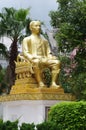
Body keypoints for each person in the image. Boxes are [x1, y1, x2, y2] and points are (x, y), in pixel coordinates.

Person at [22, 20, 60, 88]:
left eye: (39, 26)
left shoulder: (44, 41)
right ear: (31, 28)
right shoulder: (27, 39)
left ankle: (53, 83)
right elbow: (25, 52)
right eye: (36, 26)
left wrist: (51, 57)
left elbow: (48, 53)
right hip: (34, 59)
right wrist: (32, 58)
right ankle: (40, 83)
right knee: (36, 62)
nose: (38, 27)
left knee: (56, 62)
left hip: (44, 59)